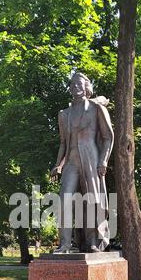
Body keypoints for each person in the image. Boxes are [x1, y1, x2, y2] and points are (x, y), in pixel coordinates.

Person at [50, 72, 114, 253]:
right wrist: (58, 165)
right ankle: (64, 244)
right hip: (71, 162)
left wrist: (103, 160)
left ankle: (93, 241)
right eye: (72, 84)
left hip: (92, 159)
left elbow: (108, 137)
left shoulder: (96, 109)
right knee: (64, 201)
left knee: (92, 201)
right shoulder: (64, 114)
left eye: (79, 84)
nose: (75, 87)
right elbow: (63, 143)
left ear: (87, 88)